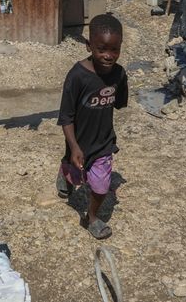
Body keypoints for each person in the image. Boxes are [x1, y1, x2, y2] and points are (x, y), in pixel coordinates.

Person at [56, 14, 128, 239]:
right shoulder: (77, 76)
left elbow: (120, 103)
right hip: (78, 142)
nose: (108, 56)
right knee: (75, 172)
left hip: (104, 142)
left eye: (114, 50)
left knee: (100, 186)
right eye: (101, 49)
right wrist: (75, 147)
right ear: (88, 46)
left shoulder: (119, 73)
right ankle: (65, 170)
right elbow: (66, 118)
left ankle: (92, 217)